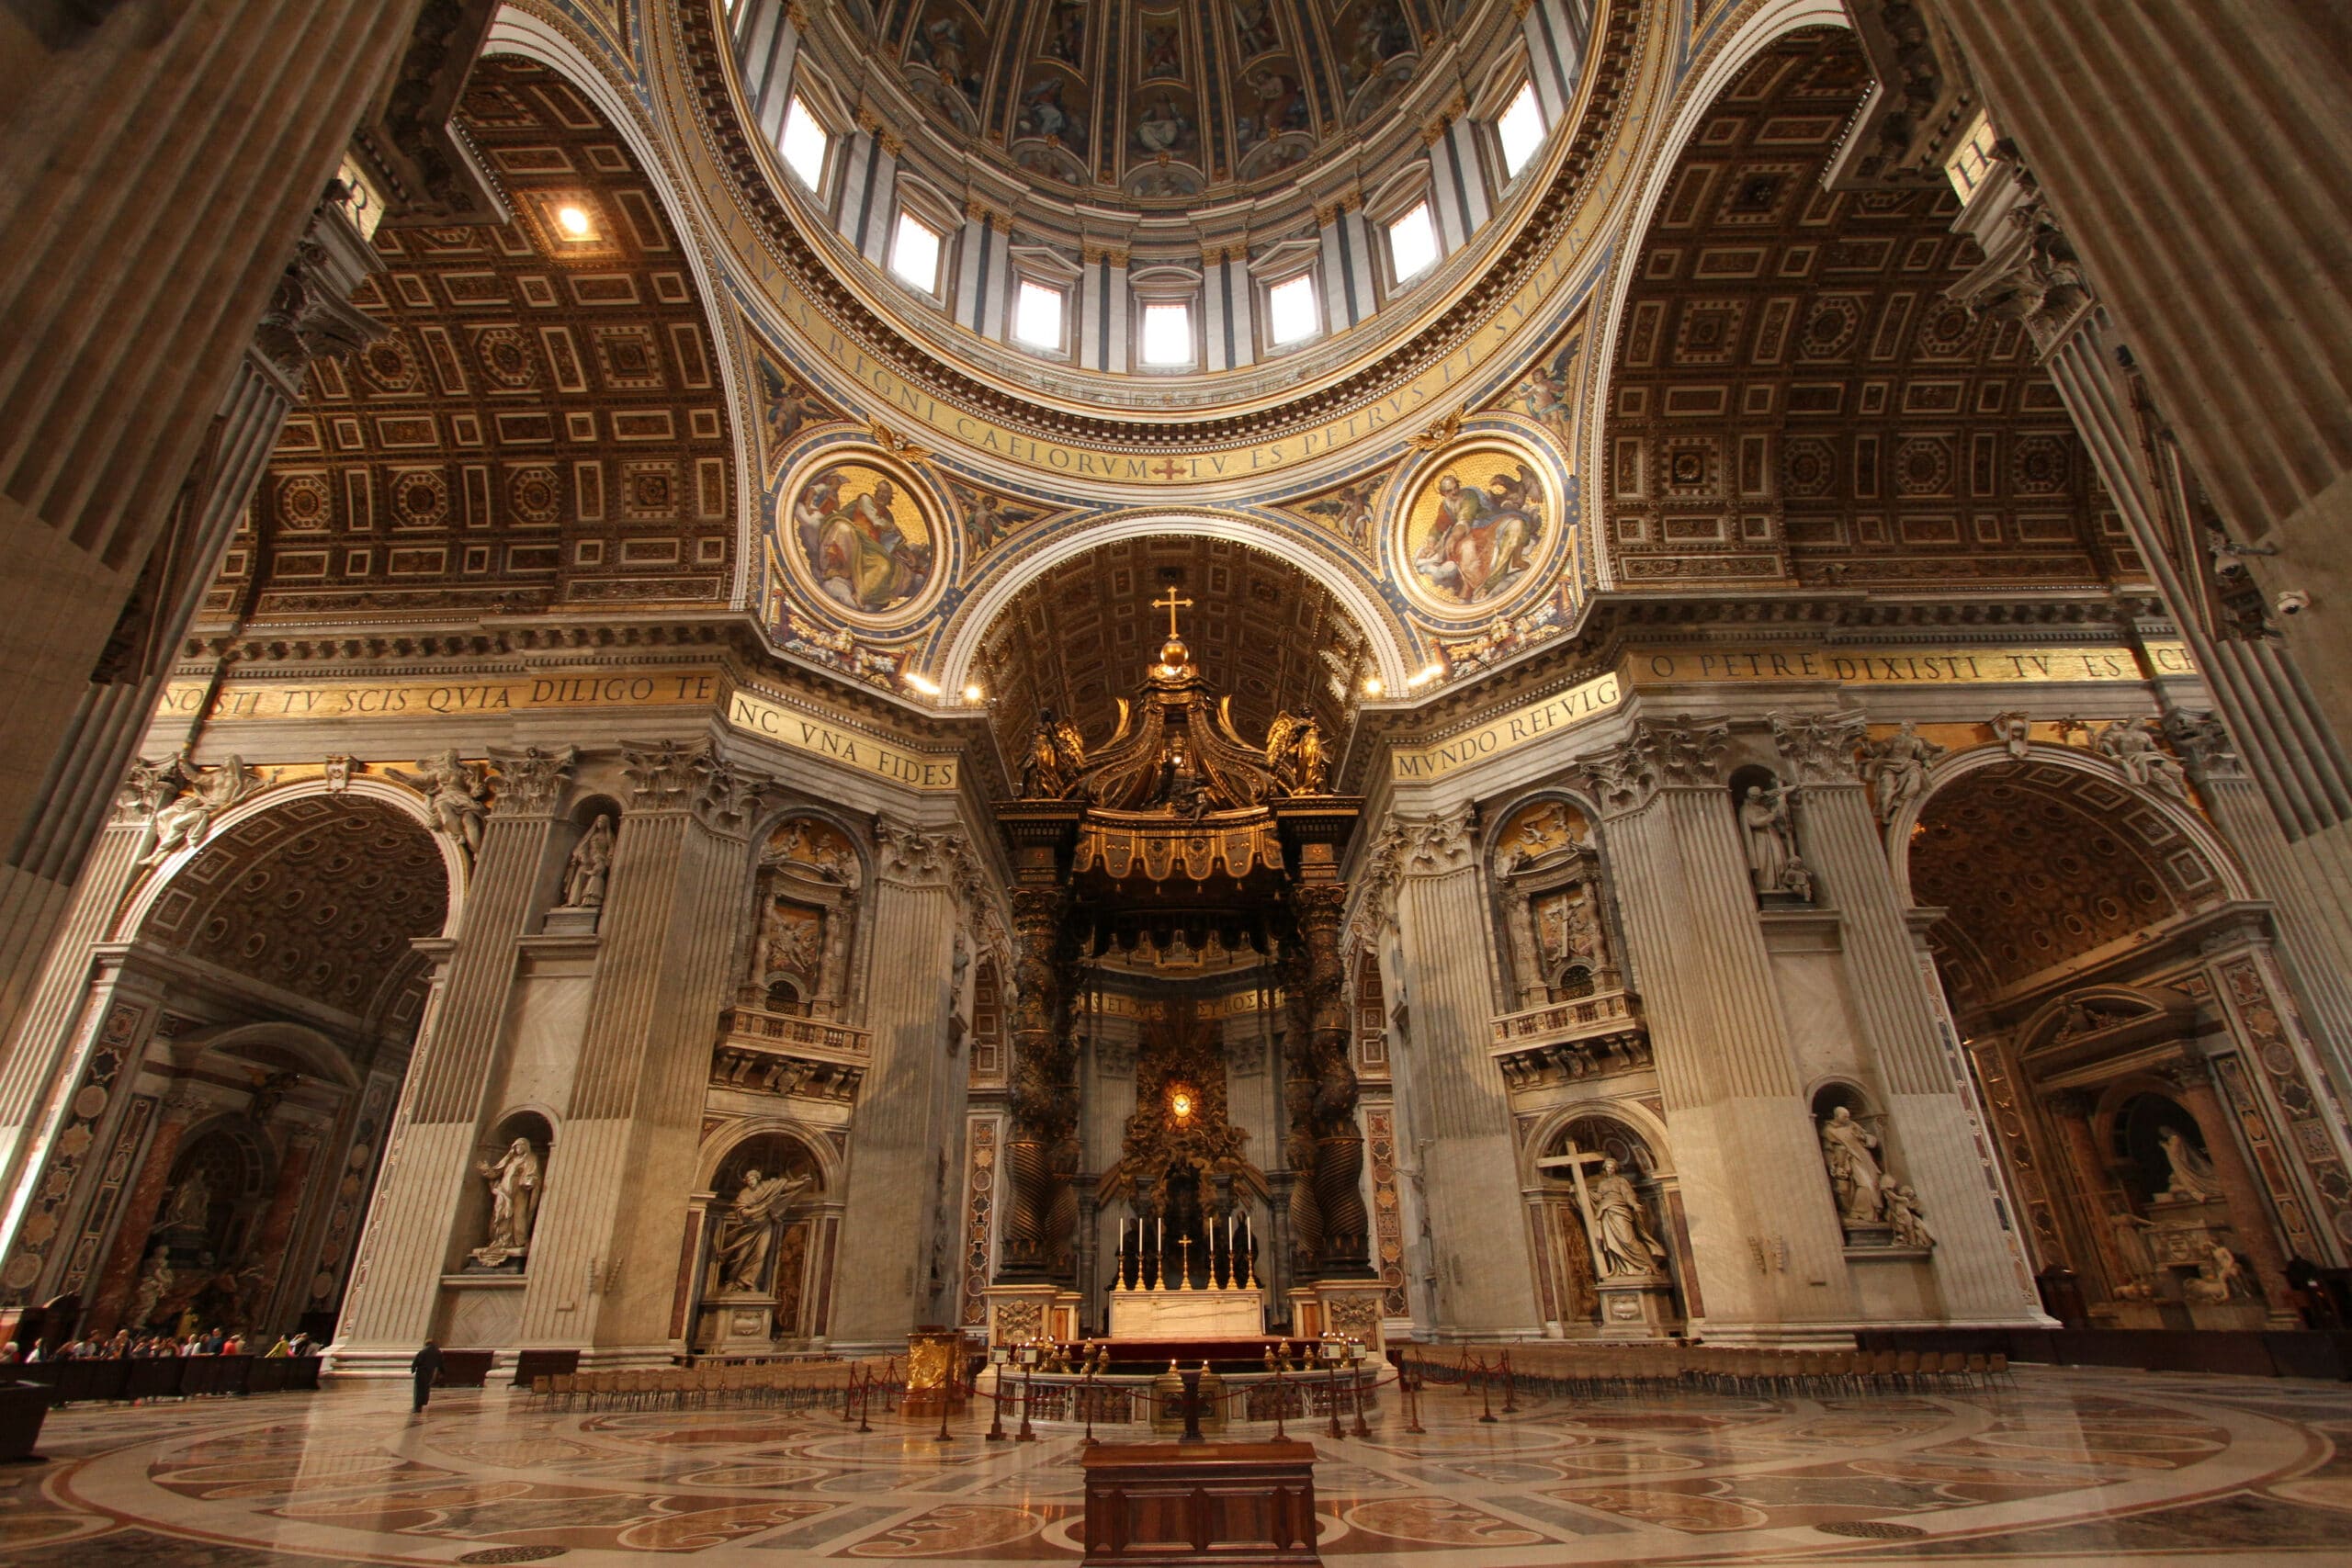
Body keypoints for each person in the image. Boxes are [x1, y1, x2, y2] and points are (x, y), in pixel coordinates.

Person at [411, 1339, 444, 1416]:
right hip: (430, 1373)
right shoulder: (437, 1352)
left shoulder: (423, 1352)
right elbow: (440, 1363)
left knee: (419, 1389)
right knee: (426, 1388)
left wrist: (413, 1369)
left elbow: (416, 1362)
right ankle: (423, 1402)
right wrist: (442, 1372)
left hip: (421, 1372)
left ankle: (417, 1407)